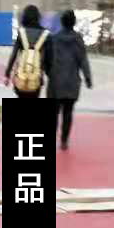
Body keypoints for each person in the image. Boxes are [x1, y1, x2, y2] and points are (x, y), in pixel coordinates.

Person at [47, 8, 92, 149]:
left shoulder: (53, 39)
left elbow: (47, 59)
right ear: (74, 22)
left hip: (55, 81)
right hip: (72, 81)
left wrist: (48, 73)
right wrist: (88, 78)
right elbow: (83, 60)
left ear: (61, 22)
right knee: (68, 111)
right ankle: (64, 140)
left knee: (54, 112)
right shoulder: (78, 39)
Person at [4, 3, 52, 99]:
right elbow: (49, 58)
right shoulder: (45, 34)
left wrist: (7, 74)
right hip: (36, 77)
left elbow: (14, 55)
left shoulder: (21, 32)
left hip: (21, 75)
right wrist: (49, 75)